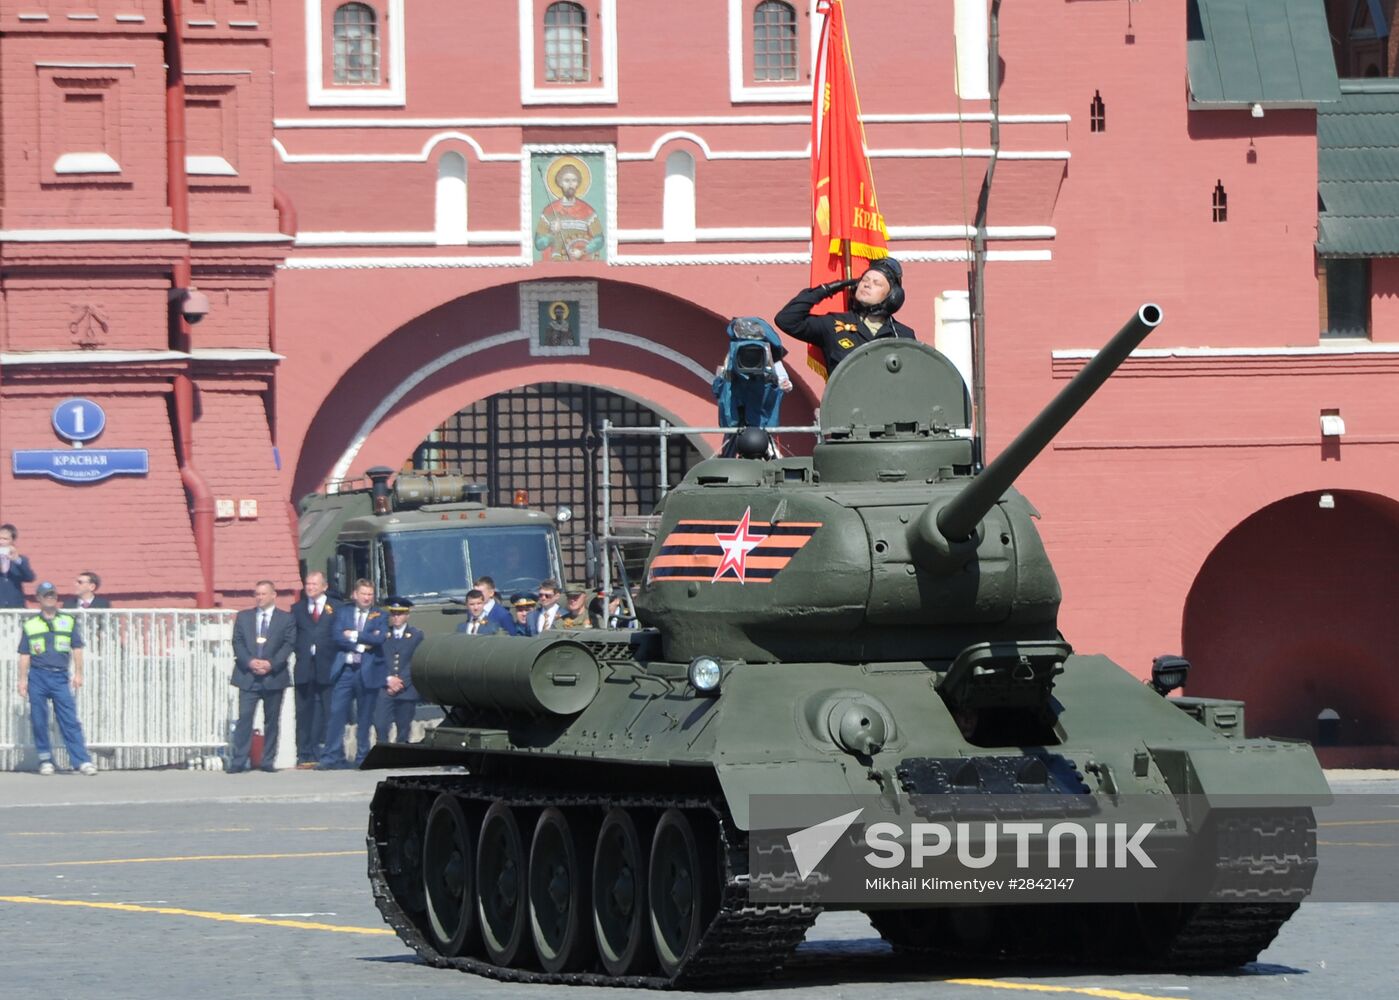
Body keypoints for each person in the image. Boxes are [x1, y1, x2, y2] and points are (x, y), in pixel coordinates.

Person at [774, 257, 916, 376]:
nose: (867, 285)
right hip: (844, 407)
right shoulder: (834, 324)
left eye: (876, 283)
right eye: (865, 280)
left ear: (892, 297)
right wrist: (828, 289)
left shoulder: (902, 335)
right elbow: (786, 320)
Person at [17, 581, 97, 775]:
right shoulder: (31, 624)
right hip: (38, 675)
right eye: (46, 595)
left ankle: (81, 761)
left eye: (52, 595)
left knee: (69, 719)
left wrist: (78, 673)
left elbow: (77, 648)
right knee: (39, 719)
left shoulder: (68, 621)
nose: (50, 598)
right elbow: (25, 654)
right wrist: (22, 680)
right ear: (38, 598)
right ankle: (46, 760)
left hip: (60, 676)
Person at [317, 579, 387, 770]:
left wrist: (354, 634)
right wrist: (361, 643)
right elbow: (338, 636)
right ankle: (331, 756)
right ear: (355, 594)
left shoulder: (380, 614)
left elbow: (379, 638)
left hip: (368, 670)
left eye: (370, 594)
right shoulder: (344, 612)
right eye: (363, 594)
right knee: (336, 713)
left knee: (364, 716)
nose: (367, 598)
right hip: (346, 671)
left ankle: (362, 756)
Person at [228, 580, 296, 774]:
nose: (259, 597)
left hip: (273, 677)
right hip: (247, 677)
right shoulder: (244, 617)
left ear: (273, 595)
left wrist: (271, 664)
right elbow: (238, 642)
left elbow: (288, 644)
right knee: (245, 719)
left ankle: (267, 761)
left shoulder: (286, 619)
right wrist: (250, 662)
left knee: (272, 720)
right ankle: (239, 761)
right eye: (257, 594)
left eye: (263, 594)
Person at [291, 571, 337, 769]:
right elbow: (292, 636)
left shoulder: (336, 608)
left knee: (329, 712)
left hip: (328, 668)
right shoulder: (297, 609)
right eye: (308, 584)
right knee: (304, 713)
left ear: (324, 586)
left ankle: (328, 752)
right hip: (304, 668)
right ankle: (304, 753)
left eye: (314, 584)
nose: (310, 587)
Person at [374, 597, 424, 745]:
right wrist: (388, 679)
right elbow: (378, 660)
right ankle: (382, 751)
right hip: (386, 687)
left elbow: (414, 661)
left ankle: (399, 754)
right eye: (393, 613)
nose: (396, 617)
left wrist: (401, 681)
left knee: (403, 726)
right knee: (380, 723)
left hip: (406, 688)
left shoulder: (416, 635)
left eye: (400, 614)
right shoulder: (383, 635)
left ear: (407, 615)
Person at [535, 160, 604, 262]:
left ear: (578, 183)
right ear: (560, 183)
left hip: (581, 263)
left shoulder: (588, 211)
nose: (570, 184)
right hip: (555, 264)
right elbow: (538, 244)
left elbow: (599, 239)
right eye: (566, 181)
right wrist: (551, 234)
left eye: (574, 180)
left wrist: (583, 251)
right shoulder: (549, 211)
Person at [0, 523, 36, 609]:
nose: (1, 542)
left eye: (5, 539)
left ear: (12, 541)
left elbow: (30, 577)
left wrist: (16, 560)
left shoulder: (21, 560)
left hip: (15, 606)